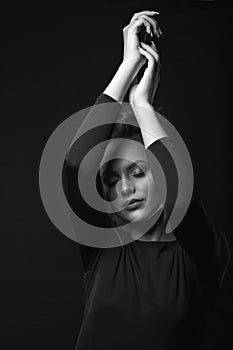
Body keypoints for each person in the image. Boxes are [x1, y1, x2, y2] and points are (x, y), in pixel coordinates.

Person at [62, 10, 230, 350]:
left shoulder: (202, 254)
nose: (125, 189)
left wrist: (142, 103)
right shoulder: (101, 248)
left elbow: (183, 196)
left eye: (138, 172)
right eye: (110, 180)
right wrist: (127, 68)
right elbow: (76, 165)